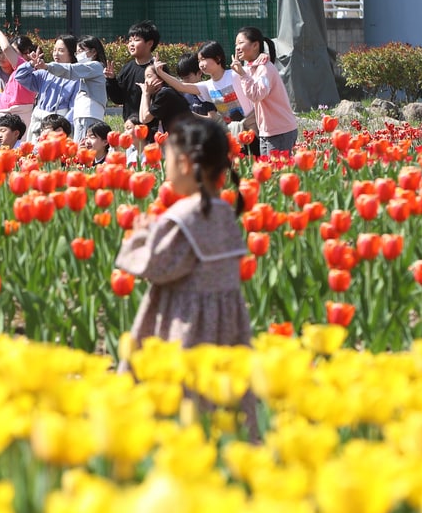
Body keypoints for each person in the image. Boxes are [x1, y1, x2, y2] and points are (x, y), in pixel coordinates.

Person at [113, 116, 252, 385]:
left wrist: (142, 236)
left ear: (185, 165)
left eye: (168, 159)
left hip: (186, 322)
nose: (165, 165)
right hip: (227, 321)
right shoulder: (225, 211)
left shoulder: (182, 218)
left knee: (184, 389)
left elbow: (155, 266)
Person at [231, 27, 299, 155]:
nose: (237, 48)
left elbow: (256, 95)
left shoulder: (264, 68)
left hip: (280, 131)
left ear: (255, 45)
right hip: (267, 131)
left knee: (277, 173)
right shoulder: (252, 67)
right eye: (236, 44)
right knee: (270, 172)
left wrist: (242, 74)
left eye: (241, 43)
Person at [36, 35, 108, 142]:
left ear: (93, 52)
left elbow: (71, 69)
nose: (78, 55)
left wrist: (47, 66)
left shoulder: (95, 66)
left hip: (88, 114)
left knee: (83, 146)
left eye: (81, 51)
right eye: (77, 52)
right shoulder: (88, 69)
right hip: (83, 114)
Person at [13, 35, 78, 139]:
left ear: (71, 53)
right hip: (39, 124)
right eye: (54, 50)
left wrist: (63, 127)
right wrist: (31, 64)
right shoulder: (45, 73)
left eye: (61, 50)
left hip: (58, 127)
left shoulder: (76, 78)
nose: (56, 53)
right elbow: (20, 76)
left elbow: (74, 108)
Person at [105, 20, 161, 134]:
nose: (131, 44)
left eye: (136, 40)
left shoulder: (158, 69)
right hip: (130, 127)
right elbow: (118, 99)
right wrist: (111, 80)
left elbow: (162, 100)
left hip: (152, 128)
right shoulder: (127, 68)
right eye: (130, 40)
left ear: (150, 43)